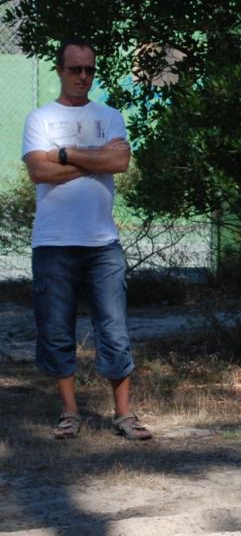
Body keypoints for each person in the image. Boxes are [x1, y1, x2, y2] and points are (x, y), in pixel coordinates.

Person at [22, 38, 150, 441]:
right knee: (57, 330)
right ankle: (70, 413)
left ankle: (124, 415)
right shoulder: (39, 118)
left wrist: (64, 154)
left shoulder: (109, 115)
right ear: (60, 70)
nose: (82, 77)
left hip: (102, 244)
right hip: (53, 243)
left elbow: (121, 161)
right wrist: (93, 160)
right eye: (75, 69)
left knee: (114, 329)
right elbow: (38, 173)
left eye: (89, 69)